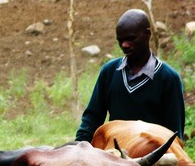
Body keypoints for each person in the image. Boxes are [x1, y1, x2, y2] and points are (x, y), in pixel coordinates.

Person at [75, 8, 185, 142]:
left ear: (147, 34)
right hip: (114, 154)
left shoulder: (168, 78)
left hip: (150, 155)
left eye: (130, 39)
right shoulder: (109, 72)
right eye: (120, 40)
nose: (124, 45)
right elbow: (92, 118)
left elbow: (173, 134)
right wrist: (79, 146)